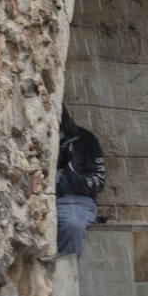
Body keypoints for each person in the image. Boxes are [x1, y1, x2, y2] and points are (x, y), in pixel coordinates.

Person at [55, 105, 106, 256]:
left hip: (76, 203)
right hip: (43, 201)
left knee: (73, 225)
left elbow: (99, 181)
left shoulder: (85, 140)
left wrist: (68, 172)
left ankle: (65, 277)